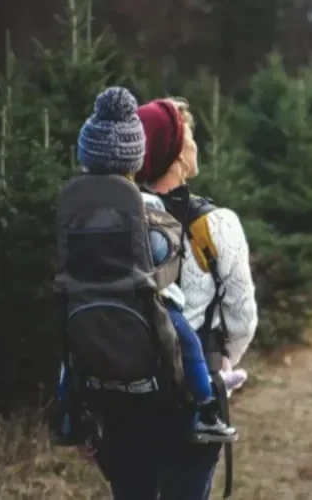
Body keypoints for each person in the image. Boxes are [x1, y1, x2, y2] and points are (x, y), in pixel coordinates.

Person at [89, 92, 258, 499]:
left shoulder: (109, 218)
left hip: (120, 398)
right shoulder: (218, 225)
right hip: (189, 403)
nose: (197, 145)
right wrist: (217, 372)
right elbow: (242, 320)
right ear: (176, 155)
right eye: (190, 138)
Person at [52, 86, 238, 447]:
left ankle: (66, 413)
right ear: (134, 158)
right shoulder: (142, 202)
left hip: (82, 294)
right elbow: (157, 249)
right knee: (186, 340)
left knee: (69, 352)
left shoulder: (74, 201)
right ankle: (205, 409)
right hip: (138, 294)